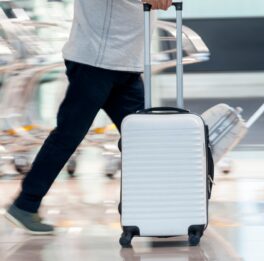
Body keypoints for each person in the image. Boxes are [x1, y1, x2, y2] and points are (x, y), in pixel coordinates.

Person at [5, 0, 173, 235]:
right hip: (95, 62)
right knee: (68, 135)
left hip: (126, 65)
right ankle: (25, 204)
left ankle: (141, 211)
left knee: (143, 139)